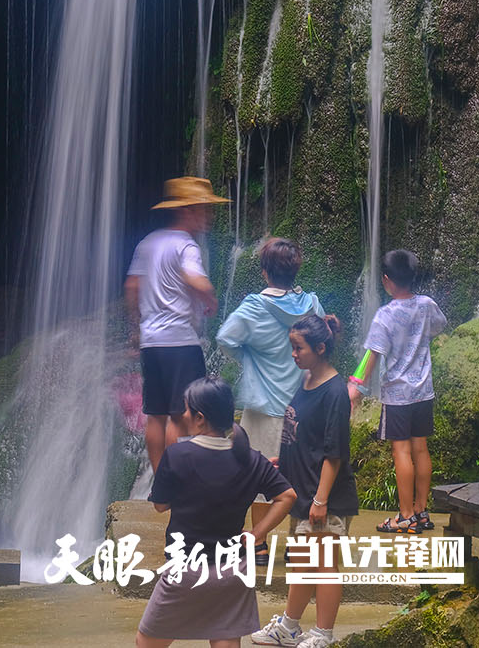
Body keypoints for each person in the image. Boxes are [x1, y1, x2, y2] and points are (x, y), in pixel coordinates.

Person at [137, 376, 296, 648]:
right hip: (233, 570)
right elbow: (287, 496)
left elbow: (161, 505)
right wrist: (257, 534)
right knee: (224, 640)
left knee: (146, 642)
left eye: (187, 410)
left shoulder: (177, 456)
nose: (183, 414)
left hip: (185, 568)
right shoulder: (251, 459)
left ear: (199, 418)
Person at [252, 313, 357, 648]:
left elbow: (334, 452)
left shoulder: (335, 392)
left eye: (298, 348)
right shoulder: (308, 380)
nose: (293, 354)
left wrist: (321, 500)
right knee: (301, 563)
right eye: (292, 347)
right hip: (303, 491)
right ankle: (289, 626)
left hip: (323, 497)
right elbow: (304, 435)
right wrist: (283, 462)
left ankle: (323, 634)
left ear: (320, 347)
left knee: (324, 565)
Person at [216, 237, 322, 536]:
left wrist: (249, 357)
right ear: (295, 271)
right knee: (302, 476)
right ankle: (297, 539)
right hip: (303, 404)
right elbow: (322, 339)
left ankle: (259, 544)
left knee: (256, 476)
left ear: (264, 272)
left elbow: (225, 338)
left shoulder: (254, 307)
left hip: (264, 405)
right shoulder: (312, 304)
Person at [126, 177, 224, 472]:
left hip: (152, 342)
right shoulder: (186, 246)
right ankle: (177, 477)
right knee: (182, 413)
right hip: (180, 341)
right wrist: (210, 299)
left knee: (155, 414)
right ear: (188, 211)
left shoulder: (149, 243)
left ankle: (160, 480)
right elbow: (195, 280)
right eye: (205, 210)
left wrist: (137, 327)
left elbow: (132, 287)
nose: (209, 216)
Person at [348, 249, 447, 532]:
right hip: (423, 391)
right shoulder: (427, 305)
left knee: (401, 452)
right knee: (421, 449)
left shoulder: (385, 315)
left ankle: (404, 517)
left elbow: (372, 355)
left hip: (398, 394)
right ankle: (421, 511)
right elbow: (438, 327)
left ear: (386, 280)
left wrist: (355, 385)